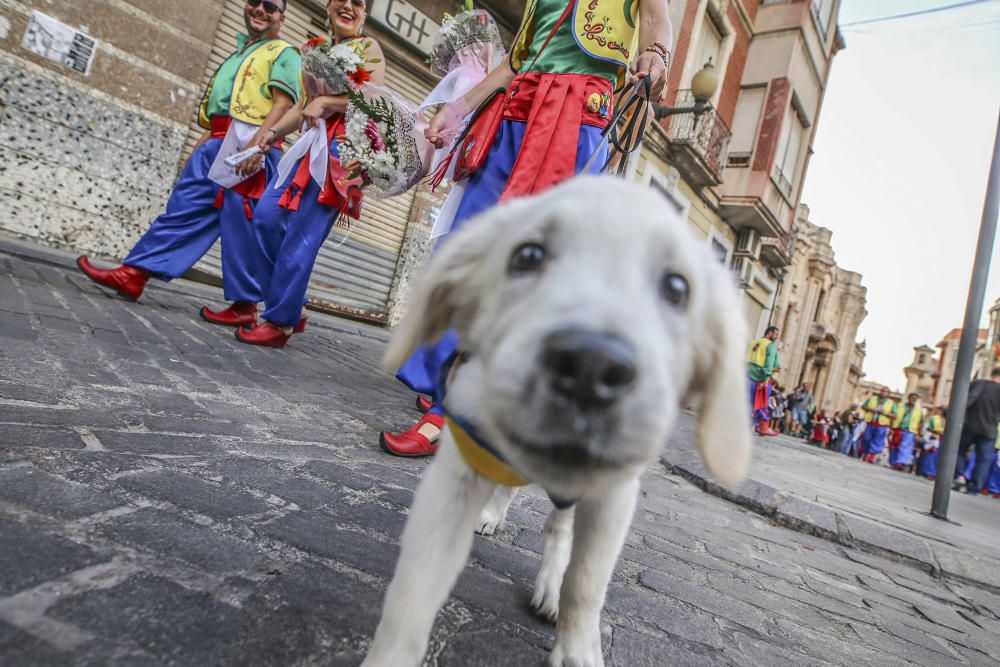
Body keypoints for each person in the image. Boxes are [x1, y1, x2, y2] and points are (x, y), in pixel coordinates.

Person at [379, 0, 674, 456]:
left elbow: (658, 19)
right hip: (516, 117)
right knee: (464, 250)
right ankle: (452, 386)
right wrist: (456, 109)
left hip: (576, 122)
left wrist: (658, 55)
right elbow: (515, 64)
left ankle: (455, 412)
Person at [76, 0, 301, 324]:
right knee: (182, 209)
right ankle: (133, 273)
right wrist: (196, 152)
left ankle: (245, 306)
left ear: (282, 16)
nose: (260, 9)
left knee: (243, 224)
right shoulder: (238, 53)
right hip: (215, 143)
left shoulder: (283, 52)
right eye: (254, 1)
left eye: (270, 5)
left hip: (250, 145)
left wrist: (257, 148)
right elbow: (217, 118)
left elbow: (284, 103)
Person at [234, 0, 386, 348]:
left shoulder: (368, 47)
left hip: (339, 155)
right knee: (268, 216)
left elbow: (376, 101)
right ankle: (292, 303)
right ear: (329, 6)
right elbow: (304, 107)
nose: (349, 6)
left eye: (359, 3)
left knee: (303, 234)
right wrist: (271, 135)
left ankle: (280, 323)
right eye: (342, 0)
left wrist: (331, 103)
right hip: (307, 146)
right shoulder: (317, 49)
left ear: (364, 14)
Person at [953, 367, 1000, 494]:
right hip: (989, 432)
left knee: (960, 451)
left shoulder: (980, 384)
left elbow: (967, 399)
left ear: (992, 374)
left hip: (970, 427)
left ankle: (959, 477)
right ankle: (975, 487)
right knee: (983, 460)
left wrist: (953, 413)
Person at [747, 326, 781, 436]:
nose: (776, 336)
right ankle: (762, 427)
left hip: (746, 374)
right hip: (759, 377)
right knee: (760, 403)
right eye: (775, 334)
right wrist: (766, 378)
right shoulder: (770, 345)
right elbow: (771, 364)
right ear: (769, 333)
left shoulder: (753, 342)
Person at [888, 393, 923, 472]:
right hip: (898, 429)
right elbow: (893, 417)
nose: (913, 400)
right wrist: (891, 428)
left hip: (910, 431)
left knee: (905, 447)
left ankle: (901, 463)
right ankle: (893, 462)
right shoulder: (899, 406)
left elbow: (921, 422)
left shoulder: (919, 411)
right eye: (912, 398)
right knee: (895, 446)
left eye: (915, 399)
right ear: (908, 398)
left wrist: (918, 433)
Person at [859, 387, 896, 463]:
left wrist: (885, 412)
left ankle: (871, 456)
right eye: (882, 391)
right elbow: (863, 406)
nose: (883, 393)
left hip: (882, 424)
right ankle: (865, 453)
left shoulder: (892, 403)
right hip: (871, 422)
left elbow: (894, 415)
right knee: (866, 439)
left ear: (889, 394)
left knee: (877, 441)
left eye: (886, 392)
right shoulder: (872, 399)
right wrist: (872, 409)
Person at [918, 406, 945, 479]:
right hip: (934, 440)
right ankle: (929, 472)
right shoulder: (934, 418)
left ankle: (933, 473)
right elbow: (928, 428)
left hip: (943, 442)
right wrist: (936, 432)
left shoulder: (949, 419)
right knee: (931, 456)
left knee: (938, 458)